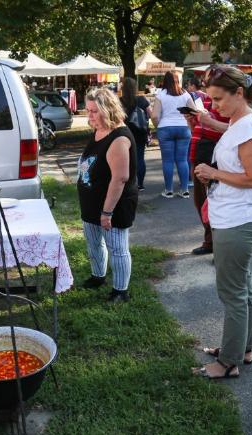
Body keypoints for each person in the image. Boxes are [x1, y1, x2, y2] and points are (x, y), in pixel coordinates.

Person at [193, 65, 252, 379]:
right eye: (210, 100)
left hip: (237, 220)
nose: (215, 105)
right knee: (243, 287)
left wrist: (213, 173)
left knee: (232, 291)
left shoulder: (248, 125)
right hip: (234, 217)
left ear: (239, 93)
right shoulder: (239, 122)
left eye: (219, 99)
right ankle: (242, 348)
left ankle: (228, 362)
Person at [78, 88, 138, 302]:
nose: (90, 116)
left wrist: (107, 212)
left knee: (117, 248)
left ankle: (121, 291)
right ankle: (98, 275)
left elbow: (120, 179)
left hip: (113, 205)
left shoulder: (119, 138)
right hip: (92, 202)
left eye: (94, 111)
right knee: (94, 243)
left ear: (107, 109)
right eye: (88, 110)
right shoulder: (99, 130)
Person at [186, 74, 230, 255]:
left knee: (217, 202)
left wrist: (209, 121)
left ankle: (220, 246)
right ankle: (210, 241)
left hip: (215, 156)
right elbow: (197, 128)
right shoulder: (203, 101)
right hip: (198, 154)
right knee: (201, 201)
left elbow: (233, 129)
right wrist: (191, 121)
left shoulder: (228, 103)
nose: (205, 83)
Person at [152, 70, 193, 199]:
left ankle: (169, 190)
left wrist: (157, 125)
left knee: (167, 160)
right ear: (177, 80)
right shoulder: (185, 94)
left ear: (165, 81)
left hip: (165, 128)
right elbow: (194, 112)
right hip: (183, 128)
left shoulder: (161, 94)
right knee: (182, 160)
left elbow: (154, 115)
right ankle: (185, 190)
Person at [120, 78, 152, 191]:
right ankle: (140, 184)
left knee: (125, 159)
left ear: (123, 88)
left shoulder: (119, 101)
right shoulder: (142, 99)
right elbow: (151, 114)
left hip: (124, 133)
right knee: (139, 158)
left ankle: (129, 183)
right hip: (140, 132)